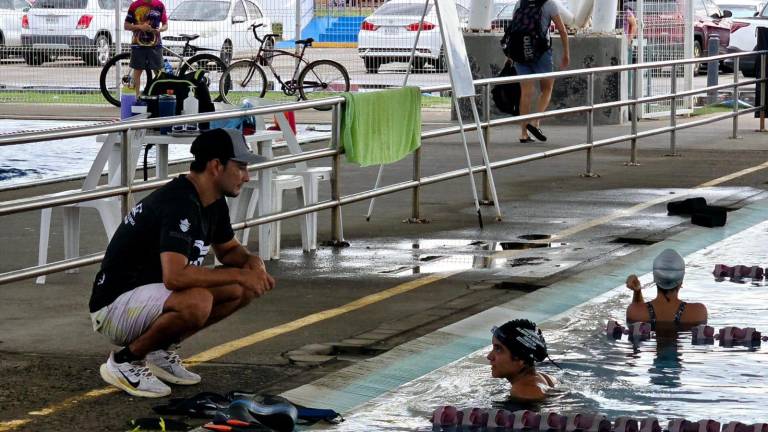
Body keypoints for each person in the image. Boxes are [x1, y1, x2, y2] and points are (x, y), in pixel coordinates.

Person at [89, 128, 276, 398]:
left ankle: (158, 350)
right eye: (241, 167)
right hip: (113, 308)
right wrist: (239, 275)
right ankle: (125, 361)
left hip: (148, 300)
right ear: (216, 166)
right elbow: (175, 277)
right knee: (198, 301)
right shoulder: (179, 202)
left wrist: (251, 263)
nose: (247, 176)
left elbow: (229, 250)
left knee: (241, 290)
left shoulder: (212, 200)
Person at [508, 0, 570, 143]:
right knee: (547, 88)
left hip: (520, 53)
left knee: (525, 93)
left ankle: (523, 133)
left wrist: (510, 55)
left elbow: (513, 30)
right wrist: (566, 53)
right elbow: (562, 30)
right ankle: (535, 122)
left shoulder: (520, 3)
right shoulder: (549, 4)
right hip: (542, 53)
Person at [625, 249, 708, 329]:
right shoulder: (698, 312)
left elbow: (638, 324)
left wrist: (637, 292)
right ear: (681, 281)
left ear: (654, 278)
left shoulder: (634, 311)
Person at [487, 319, 556, 401]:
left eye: (498, 349)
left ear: (521, 359)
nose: (489, 356)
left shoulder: (523, 391)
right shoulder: (548, 379)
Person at [124, 0, 168, 97]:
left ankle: (161, 99)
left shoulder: (160, 5)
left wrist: (160, 29)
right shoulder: (134, 5)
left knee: (160, 74)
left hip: (155, 45)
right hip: (138, 45)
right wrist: (140, 27)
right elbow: (126, 25)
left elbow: (165, 25)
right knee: (137, 72)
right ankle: (136, 98)